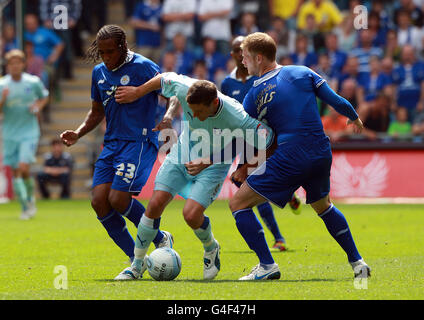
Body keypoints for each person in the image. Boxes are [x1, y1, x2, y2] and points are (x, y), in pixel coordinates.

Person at [229, 32, 370, 280]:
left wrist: (243, 167)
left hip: (291, 154)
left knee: (238, 204)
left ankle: (266, 266)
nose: (242, 62)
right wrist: (354, 116)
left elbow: (250, 136)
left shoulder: (254, 94)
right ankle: (358, 262)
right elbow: (337, 101)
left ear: (259, 58)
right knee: (323, 206)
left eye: (246, 57)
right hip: (321, 151)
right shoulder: (302, 71)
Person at [112, 71, 275, 281]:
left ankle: (211, 248)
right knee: (155, 204)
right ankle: (136, 265)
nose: (194, 116)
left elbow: (268, 138)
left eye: (199, 112)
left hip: (214, 166)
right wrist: (139, 93)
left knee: (190, 215)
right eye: (191, 111)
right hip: (181, 154)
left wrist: (238, 166)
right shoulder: (184, 87)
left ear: (214, 102)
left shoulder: (235, 114)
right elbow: (164, 79)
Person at [60, 25, 172, 268]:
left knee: (119, 199)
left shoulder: (144, 67)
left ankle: (159, 237)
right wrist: (78, 133)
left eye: (111, 51)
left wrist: (168, 116)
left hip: (139, 142)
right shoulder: (99, 72)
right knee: (99, 201)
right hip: (111, 144)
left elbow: (172, 92)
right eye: (102, 53)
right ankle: (136, 259)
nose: (106, 58)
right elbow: (97, 112)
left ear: (123, 47)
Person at [221, 36, 302, 252]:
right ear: (233, 55)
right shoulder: (227, 83)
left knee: (253, 183)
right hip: (243, 138)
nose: (241, 54)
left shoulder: (261, 74)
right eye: (237, 50)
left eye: (244, 50)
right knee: (245, 183)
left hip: (265, 137)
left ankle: (278, 238)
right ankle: (287, 196)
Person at [0, 49, 49, 220]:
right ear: (8, 66)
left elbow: (44, 97)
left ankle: (30, 201)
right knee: (15, 171)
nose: (14, 66)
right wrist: (3, 100)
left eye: (17, 63)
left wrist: (38, 106)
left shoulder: (32, 82)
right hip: (10, 133)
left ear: (23, 64)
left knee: (23, 167)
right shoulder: (2, 85)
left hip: (29, 131)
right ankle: (25, 206)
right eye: (11, 63)